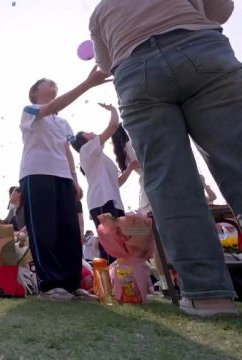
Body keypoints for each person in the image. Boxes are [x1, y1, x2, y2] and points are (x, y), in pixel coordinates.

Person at [90, 0, 239, 316]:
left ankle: (208, 295)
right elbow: (222, 9)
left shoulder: (100, 11)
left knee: (171, 184)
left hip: (134, 70)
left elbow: (105, 63)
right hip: (199, 46)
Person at [19, 67, 110, 301]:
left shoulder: (63, 122)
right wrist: (88, 83)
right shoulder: (31, 110)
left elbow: (67, 149)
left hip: (62, 177)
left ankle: (72, 283)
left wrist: (74, 178)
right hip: (36, 173)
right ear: (36, 91)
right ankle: (49, 284)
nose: (53, 83)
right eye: (47, 81)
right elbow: (53, 107)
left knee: (69, 230)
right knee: (44, 229)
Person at [71, 103, 138, 261]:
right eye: (88, 132)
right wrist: (113, 109)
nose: (92, 132)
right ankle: (112, 283)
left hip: (114, 202)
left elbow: (117, 183)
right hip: (102, 200)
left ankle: (123, 282)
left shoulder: (101, 157)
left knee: (121, 245)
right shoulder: (86, 150)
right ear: (83, 140)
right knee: (111, 247)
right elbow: (113, 125)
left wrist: (130, 168)